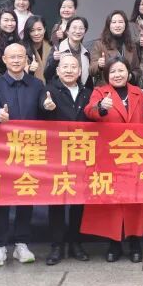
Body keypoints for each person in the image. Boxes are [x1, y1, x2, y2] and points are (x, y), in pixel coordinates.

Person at [82, 56, 143, 262]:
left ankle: (135, 243)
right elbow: (89, 111)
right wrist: (101, 107)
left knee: (135, 200)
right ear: (107, 75)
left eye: (121, 70)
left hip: (134, 153)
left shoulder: (137, 93)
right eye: (113, 72)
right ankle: (114, 244)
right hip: (109, 156)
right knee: (112, 201)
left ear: (128, 73)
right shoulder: (100, 92)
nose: (117, 75)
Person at [0, 42, 46, 265]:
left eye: (21, 56)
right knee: (1, 198)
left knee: (25, 195)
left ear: (26, 60)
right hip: (4, 151)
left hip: (29, 149)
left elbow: (43, 109)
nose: (17, 60)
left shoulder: (37, 85)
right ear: (4, 60)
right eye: (12, 57)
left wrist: (48, 106)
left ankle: (21, 243)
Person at [40, 53, 92, 265]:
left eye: (73, 67)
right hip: (57, 155)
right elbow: (41, 109)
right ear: (58, 70)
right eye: (65, 67)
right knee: (57, 202)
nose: (69, 70)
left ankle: (76, 243)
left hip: (82, 154)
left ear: (80, 71)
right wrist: (47, 108)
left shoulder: (88, 93)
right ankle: (56, 246)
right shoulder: (49, 90)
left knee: (79, 202)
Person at [90, 11, 140, 87]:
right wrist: (99, 65)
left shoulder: (131, 45)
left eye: (120, 22)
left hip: (126, 88)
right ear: (108, 25)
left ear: (125, 25)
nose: (117, 25)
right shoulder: (99, 44)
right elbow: (91, 70)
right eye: (114, 22)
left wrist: (130, 76)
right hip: (106, 89)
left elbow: (137, 70)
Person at [45, 16, 92, 87]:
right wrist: (54, 61)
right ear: (67, 31)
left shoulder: (86, 53)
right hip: (60, 91)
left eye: (81, 28)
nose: (77, 31)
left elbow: (88, 80)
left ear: (85, 31)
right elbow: (47, 75)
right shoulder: (58, 49)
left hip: (80, 91)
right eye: (74, 28)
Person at [23, 15, 54, 82]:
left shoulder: (51, 47)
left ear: (44, 29)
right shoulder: (22, 49)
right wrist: (30, 69)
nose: (36, 33)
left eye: (39, 29)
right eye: (32, 30)